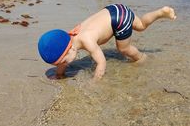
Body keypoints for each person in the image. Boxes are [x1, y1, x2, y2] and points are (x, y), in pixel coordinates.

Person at [38, 4, 176, 79]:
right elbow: (61, 56)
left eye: (64, 63)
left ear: (71, 49)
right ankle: (160, 13)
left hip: (119, 20)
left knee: (123, 49)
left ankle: (141, 58)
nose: (63, 65)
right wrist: (59, 74)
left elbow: (101, 62)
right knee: (140, 26)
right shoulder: (70, 37)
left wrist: (96, 81)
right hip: (113, 9)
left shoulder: (87, 41)